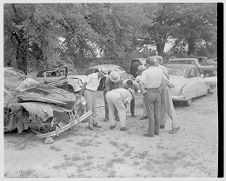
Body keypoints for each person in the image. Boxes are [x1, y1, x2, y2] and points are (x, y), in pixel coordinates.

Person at [139, 57, 169, 137]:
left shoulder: (145, 72)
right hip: (157, 92)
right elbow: (166, 81)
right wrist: (160, 89)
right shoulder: (159, 71)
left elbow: (141, 83)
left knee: (150, 113)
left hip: (149, 92)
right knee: (157, 112)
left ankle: (150, 132)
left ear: (148, 64)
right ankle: (157, 131)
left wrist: (143, 91)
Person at [153, 58, 180, 134]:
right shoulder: (154, 69)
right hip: (159, 88)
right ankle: (161, 123)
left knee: (169, 106)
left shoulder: (161, 68)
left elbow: (167, 78)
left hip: (164, 88)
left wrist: (168, 83)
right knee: (161, 106)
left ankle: (176, 126)